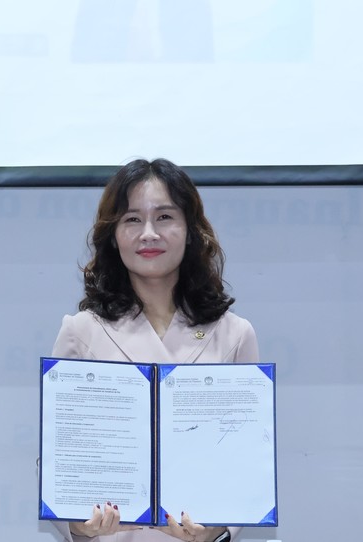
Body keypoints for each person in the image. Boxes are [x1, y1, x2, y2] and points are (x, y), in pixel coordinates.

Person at [48, 158, 257, 542]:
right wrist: (77, 523)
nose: (149, 234)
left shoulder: (235, 334)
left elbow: (247, 458)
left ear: (190, 231)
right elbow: (59, 456)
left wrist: (218, 528)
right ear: (113, 236)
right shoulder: (81, 332)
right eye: (132, 219)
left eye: (164, 217)